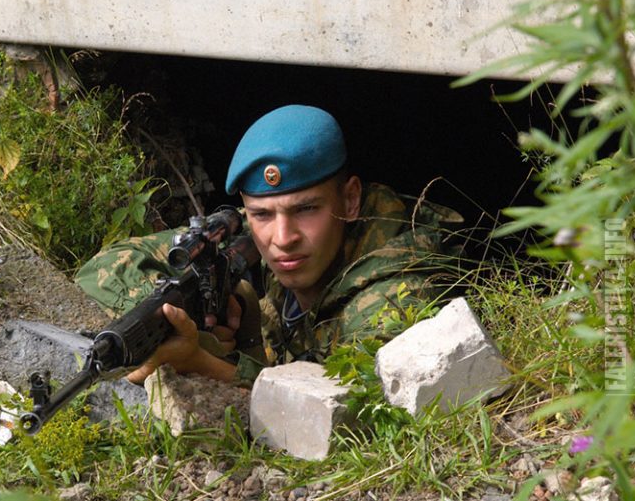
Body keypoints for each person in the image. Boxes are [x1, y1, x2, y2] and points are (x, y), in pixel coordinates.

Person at [75, 104, 462, 386]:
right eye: (261, 214)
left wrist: (205, 363)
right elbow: (103, 268)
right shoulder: (249, 234)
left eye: (306, 209)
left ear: (350, 200)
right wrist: (179, 315)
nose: (282, 238)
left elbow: (350, 407)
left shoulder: (396, 289)